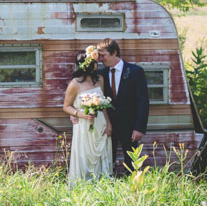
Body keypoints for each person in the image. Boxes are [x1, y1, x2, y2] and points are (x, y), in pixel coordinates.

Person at [97, 38, 149, 171]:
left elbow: (143, 101)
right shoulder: (101, 74)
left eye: (103, 55)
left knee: (132, 162)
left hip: (130, 126)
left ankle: (134, 186)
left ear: (114, 53)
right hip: (108, 126)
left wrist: (139, 128)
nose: (100, 59)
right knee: (108, 159)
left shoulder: (135, 71)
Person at [63, 48, 113, 183]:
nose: (98, 64)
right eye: (95, 61)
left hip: (100, 123)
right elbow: (66, 106)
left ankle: (102, 183)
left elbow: (103, 106)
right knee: (84, 155)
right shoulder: (75, 84)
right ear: (88, 64)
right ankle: (83, 183)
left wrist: (108, 124)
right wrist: (81, 115)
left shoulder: (100, 79)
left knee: (101, 155)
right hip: (84, 125)